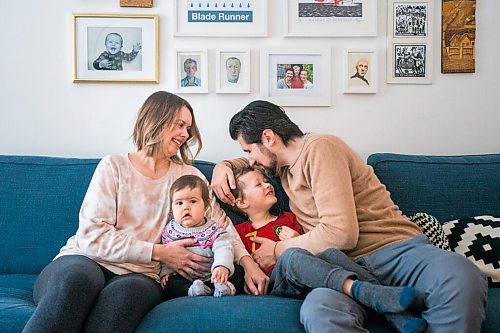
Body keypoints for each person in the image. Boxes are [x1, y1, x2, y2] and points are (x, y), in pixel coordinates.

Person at [211, 100, 488, 333]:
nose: (249, 160)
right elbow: (251, 168)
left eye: (248, 150)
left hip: (396, 251)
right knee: (320, 310)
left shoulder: (320, 148)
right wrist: (222, 166)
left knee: (460, 275)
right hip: (342, 268)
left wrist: (280, 249)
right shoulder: (280, 168)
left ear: (269, 138)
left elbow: (341, 233)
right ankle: (377, 298)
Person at [22, 91, 267, 333]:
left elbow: (222, 228)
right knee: (74, 283)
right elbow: (92, 236)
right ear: (155, 119)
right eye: (179, 125)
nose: (185, 134)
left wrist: (249, 265)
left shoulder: (189, 177)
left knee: (124, 298)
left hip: (141, 275)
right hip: (85, 260)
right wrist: (160, 252)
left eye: (188, 129)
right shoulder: (113, 166)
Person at [231, 165, 427, 333]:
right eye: (258, 184)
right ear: (242, 203)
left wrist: (297, 239)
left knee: (331, 253)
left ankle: (394, 311)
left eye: (265, 180)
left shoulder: (289, 219)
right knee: (291, 256)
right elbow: (234, 256)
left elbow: (311, 247)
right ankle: (374, 296)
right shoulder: (239, 232)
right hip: (276, 281)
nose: (267, 185)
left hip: (307, 274)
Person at [160, 174, 244, 299]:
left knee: (238, 271)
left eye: (193, 201)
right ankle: (194, 290)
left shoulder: (214, 229)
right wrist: (166, 272)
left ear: (205, 206)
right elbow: (166, 254)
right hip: (186, 277)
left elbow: (224, 248)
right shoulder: (170, 231)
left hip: (214, 275)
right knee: (169, 285)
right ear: (171, 208)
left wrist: (222, 266)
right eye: (179, 203)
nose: (186, 207)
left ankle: (225, 287)